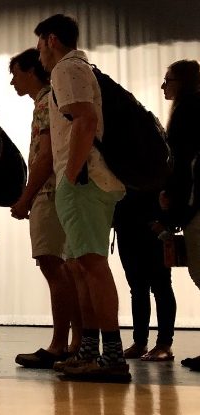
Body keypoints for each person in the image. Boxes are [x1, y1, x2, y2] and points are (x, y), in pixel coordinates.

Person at [35, 14, 130, 382]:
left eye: (41, 44)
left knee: (91, 267)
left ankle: (113, 358)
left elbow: (86, 120)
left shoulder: (66, 68)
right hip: (84, 182)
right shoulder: (78, 68)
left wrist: (72, 175)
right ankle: (91, 352)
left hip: (84, 183)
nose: (39, 54)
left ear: (52, 39)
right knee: (80, 268)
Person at [9, 48, 82, 369]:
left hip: (50, 193)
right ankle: (77, 341)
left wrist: (27, 196)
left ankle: (60, 343)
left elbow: (46, 155)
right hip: (57, 192)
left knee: (55, 266)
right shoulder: (49, 101)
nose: (12, 81)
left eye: (16, 73)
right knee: (66, 268)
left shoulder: (44, 102)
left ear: (30, 71)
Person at [158, 59, 200, 371]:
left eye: (168, 79)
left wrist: (172, 197)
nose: (164, 86)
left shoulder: (189, 111)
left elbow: (182, 161)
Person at [114, 188, 177, 362]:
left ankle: (164, 344)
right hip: (126, 222)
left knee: (161, 285)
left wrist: (165, 220)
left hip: (153, 223)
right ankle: (140, 342)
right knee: (138, 287)